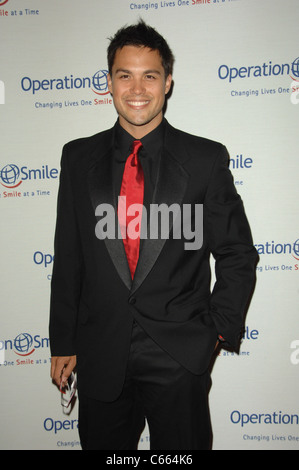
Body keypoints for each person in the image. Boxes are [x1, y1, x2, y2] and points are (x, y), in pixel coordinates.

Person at [49, 20, 258, 450]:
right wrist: (63, 340)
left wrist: (216, 330)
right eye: (125, 75)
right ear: (109, 82)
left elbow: (237, 252)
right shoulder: (77, 157)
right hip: (101, 347)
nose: (137, 88)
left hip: (180, 352)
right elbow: (69, 256)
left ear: (168, 83)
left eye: (150, 75)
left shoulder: (204, 159)